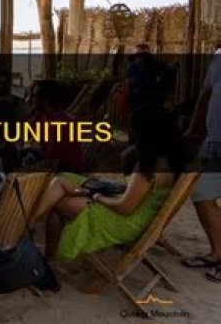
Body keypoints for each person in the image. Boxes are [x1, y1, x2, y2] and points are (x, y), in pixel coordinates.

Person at [31, 108, 188, 260]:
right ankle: (31, 229)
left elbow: (125, 208)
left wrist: (98, 197)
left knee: (59, 203)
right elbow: (142, 193)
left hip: (125, 221)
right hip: (140, 218)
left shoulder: (148, 165)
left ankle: (30, 230)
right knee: (64, 179)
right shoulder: (172, 161)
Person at [183, 42, 221, 282]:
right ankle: (217, 253)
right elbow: (206, 96)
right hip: (212, 141)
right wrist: (193, 130)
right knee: (201, 193)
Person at [28, 80, 83, 172]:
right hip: (52, 168)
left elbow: (54, 159)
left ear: (45, 100)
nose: (30, 99)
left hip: (66, 173)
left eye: (34, 95)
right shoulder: (41, 117)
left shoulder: (63, 123)